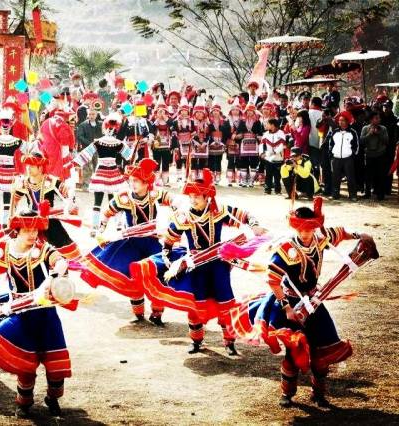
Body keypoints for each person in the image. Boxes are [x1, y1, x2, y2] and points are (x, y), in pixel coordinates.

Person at [230, 198, 373, 407]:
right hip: (290, 303)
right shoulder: (286, 249)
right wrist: (286, 307)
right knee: (293, 350)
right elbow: (273, 280)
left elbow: (340, 233)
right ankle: (287, 394)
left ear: (315, 226)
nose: (305, 233)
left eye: (310, 229)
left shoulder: (321, 238)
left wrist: (360, 235)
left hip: (314, 301)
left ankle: (319, 393)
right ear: (295, 227)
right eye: (301, 229)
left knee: (322, 349)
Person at [130, 168, 265, 355]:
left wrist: (255, 226)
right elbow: (169, 239)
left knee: (224, 300)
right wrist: (168, 258)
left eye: (198, 196)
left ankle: (229, 342)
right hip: (195, 265)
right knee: (196, 302)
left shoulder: (219, 211)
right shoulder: (184, 215)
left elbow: (245, 216)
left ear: (207, 196)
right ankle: (196, 341)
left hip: (218, 264)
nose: (193, 200)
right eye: (191, 196)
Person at [0, 205, 72, 418]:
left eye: (35, 230)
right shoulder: (3, 250)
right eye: (27, 230)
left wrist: (52, 277)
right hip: (19, 312)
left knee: (54, 361)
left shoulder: (42, 249)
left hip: (44, 312)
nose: (32, 234)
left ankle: (52, 398)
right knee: (24, 361)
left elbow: (61, 262)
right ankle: (24, 403)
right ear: (17, 230)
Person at [81, 158, 173, 323]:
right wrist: (100, 230)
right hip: (131, 243)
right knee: (132, 276)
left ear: (146, 182)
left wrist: (178, 210)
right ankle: (138, 313)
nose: (133, 183)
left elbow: (174, 201)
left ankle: (157, 313)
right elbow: (107, 213)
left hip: (151, 241)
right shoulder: (124, 198)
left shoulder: (155, 194)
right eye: (131, 180)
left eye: (136, 181)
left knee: (157, 274)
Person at [10, 152, 81, 261]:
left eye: (32, 166)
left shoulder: (51, 181)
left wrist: (71, 201)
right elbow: (14, 202)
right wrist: (13, 216)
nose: (28, 168)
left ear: (40, 168)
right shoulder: (23, 182)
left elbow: (67, 194)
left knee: (62, 245)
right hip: (31, 221)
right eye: (27, 165)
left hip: (49, 220)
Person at [73, 113, 133, 234]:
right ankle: (118, 226)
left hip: (101, 172)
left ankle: (95, 227)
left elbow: (85, 154)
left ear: (105, 128)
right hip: (113, 173)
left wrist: (75, 163)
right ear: (116, 129)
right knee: (114, 201)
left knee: (98, 202)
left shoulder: (99, 142)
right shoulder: (118, 143)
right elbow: (129, 156)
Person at [326, 111, 359, 201]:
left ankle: (352, 195)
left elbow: (356, 145)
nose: (340, 122)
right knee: (335, 177)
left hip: (348, 158)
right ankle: (335, 194)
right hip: (336, 158)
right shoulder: (335, 132)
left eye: (343, 120)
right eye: (339, 120)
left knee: (350, 177)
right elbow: (331, 143)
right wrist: (331, 153)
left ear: (347, 121)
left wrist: (353, 153)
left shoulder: (352, 132)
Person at [361, 111, 389, 200]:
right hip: (369, 155)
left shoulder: (383, 129)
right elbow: (361, 141)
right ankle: (367, 193)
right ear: (371, 120)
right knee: (368, 176)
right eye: (376, 118)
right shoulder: (365, 128)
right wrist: (370, 134)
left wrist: (378, 134)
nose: (379, 120)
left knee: (380, 175)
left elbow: (386, 141)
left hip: (380, 155)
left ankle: (380, 194)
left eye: (379, 118)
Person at [75, 108, 103, 189]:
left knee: (97, 166)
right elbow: (79, 136)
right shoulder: (83, 125)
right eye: (90, 114)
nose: (91, 116)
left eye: (93, 114)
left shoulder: (101, 124)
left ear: (96, 115)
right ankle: (86, 185)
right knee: (87, 167)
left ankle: (98, 185)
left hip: (98, 149)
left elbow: (104, 135)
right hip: (86, 149)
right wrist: (90, 143)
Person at [150, 97, 175, 186]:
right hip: (157, 145)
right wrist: (157, 120)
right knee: (156, 162)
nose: (161, 113)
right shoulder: (154, 120)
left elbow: (173, 127)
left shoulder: (169, 120)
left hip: (166, 145)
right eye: (159, 111)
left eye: (162, 111)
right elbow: (151, 129)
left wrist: (165, 118)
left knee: (165, 163)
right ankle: (156, 180)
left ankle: (165, 180)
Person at [237, 104, 264, 187]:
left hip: (254, 143)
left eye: (251, 111)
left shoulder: (257, 121)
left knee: (253, 162)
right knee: (243, 161)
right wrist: (240, 135)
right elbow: (239, 131)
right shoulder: (242, 121)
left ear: (254, 112)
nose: (249, 112)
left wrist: (256, 135)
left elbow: (260, 132)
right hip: (244, 144)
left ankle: (251, 180)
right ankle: (244, 180)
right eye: (248, 111)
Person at [261, 118, 286, 195]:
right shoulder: (265, 134)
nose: (266, 125)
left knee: (277, 176)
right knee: (268, 174)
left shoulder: (281, 133)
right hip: (268, 158)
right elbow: (262, 144)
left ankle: (278, 190)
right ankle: (267, 190)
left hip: (278, 158)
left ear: (272, 125)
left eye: (267, 124)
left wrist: (275, 152)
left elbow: (283, 145)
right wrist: (262, 153)